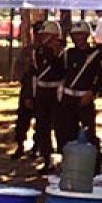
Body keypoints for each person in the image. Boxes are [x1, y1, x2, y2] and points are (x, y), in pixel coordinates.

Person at [54, 21, 102, 163]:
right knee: (66, 132)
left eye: (81, 34)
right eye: (75, 35)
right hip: (67, 99)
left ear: (87, 35)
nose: (77, 38)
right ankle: (68, 162)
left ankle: (95, 164)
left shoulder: (96, 55)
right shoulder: (67, 54)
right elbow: (58, 73)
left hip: (85, 99)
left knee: (89, 134)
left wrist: (92, 93)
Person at [31, 20, 66, 170]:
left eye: (46, 35)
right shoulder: (38, 51)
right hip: (41, 92)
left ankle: (65, 159)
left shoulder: (65, 53)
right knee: (42, 126)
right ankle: (47, 159)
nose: (43, 37)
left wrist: (57, 52)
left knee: (61, 126)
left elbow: (63, 72)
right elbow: (34, 73)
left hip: (57, 92)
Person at [11, 22, 42, 159]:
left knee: (41, 121)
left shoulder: (49, 52)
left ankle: (37, 146)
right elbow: (18, 69)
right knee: (23, 120)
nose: (39, 37)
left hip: (43, 91)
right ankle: (20, 145)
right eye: (36, 34)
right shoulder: (27, 51)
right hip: (27, 87)